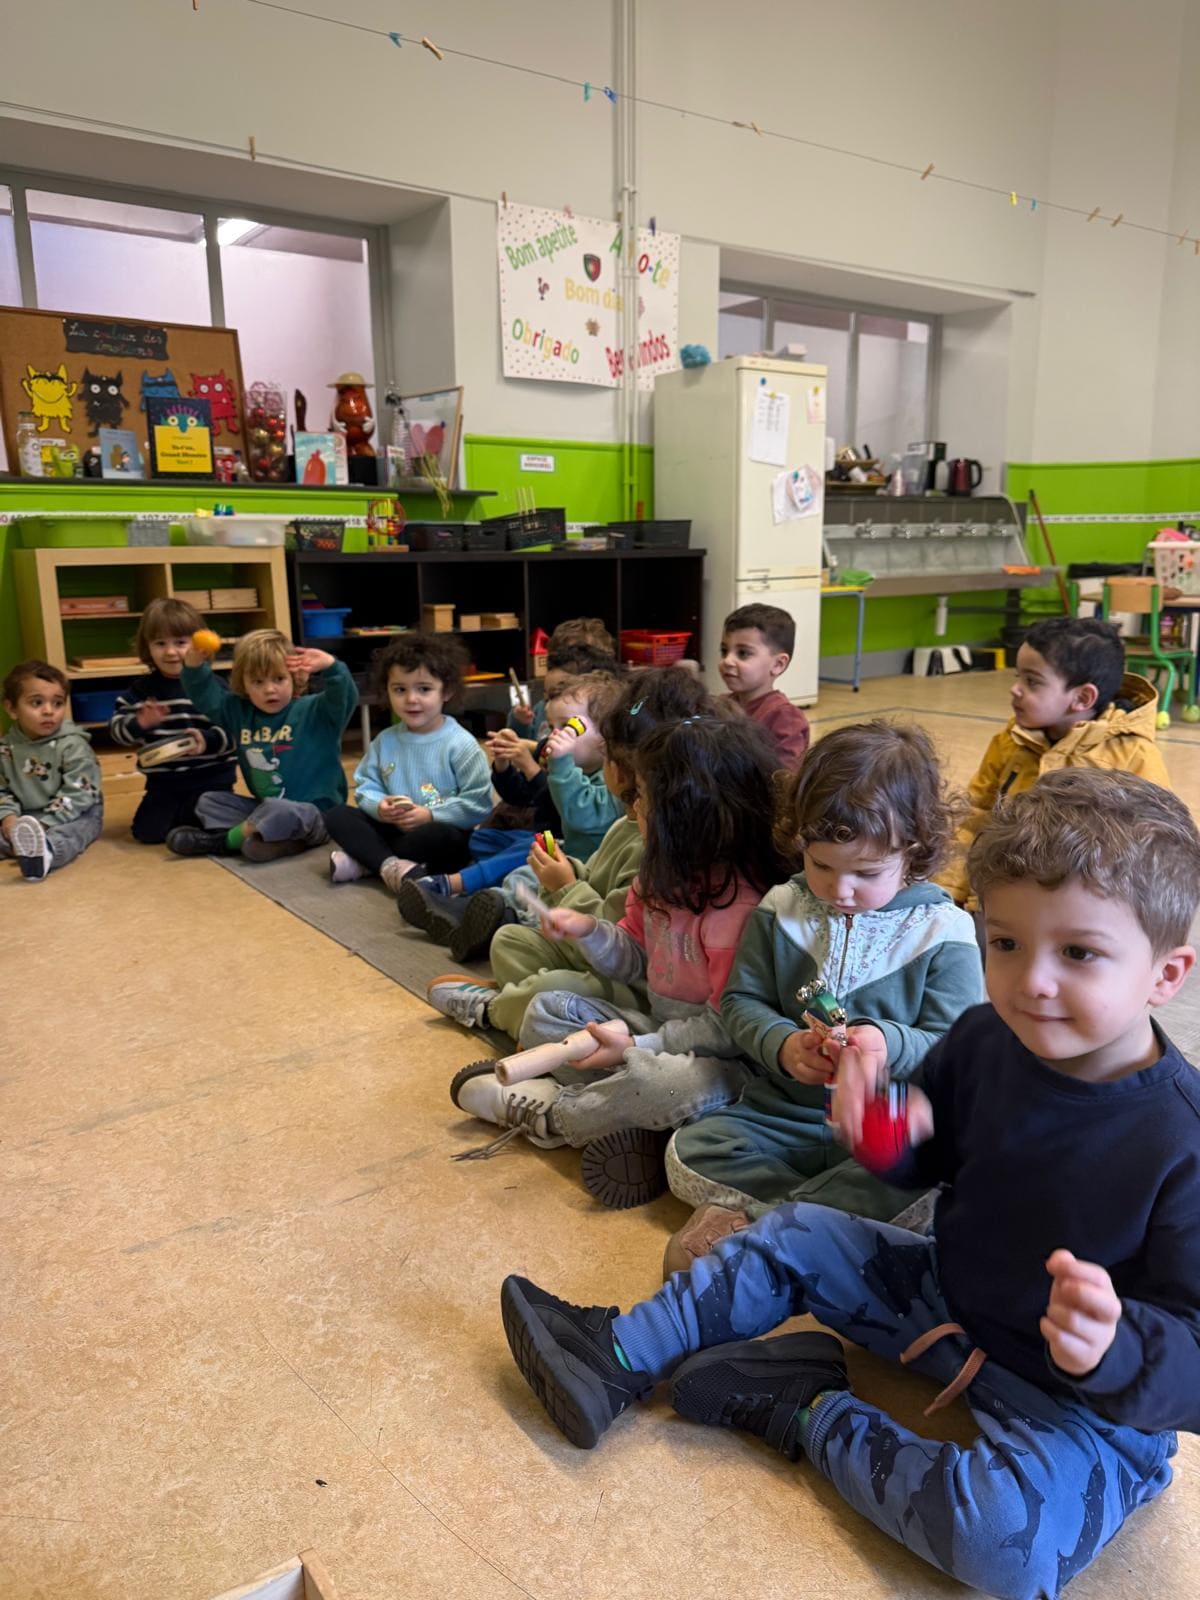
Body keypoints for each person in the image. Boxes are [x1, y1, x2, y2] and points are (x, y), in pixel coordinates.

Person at [499, 769, 1200, 1600]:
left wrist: (1119, 1348)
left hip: (1086, 1403)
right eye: (1006, 944)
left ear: (1167, 974)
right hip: (948, 1299)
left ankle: (805, 1409)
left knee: (1005, 1548)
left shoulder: (1181, 1141)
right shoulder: (984, 1039)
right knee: (796, 1230)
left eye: (1078, 953)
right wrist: (884, 1136)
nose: (1032, 982)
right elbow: (927, 1162)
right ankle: (614, 1353)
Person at [664, 721, 983, 1271]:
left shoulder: (944, 929)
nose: (840, 889)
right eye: (820, 865)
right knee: (691, 1149)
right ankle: (806, 1226)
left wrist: (887, 1044)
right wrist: (783, 1045)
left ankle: (762, 1229)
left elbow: (958, 1046)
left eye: (866, 872)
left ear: (914, 850)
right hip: (784, 1113)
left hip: (883, 1128)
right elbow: (742, 1002)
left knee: (928, 1181)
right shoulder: (781, 907)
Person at [448, 715, 793, 1209]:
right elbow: (633, 959)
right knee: (549, 1011)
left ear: (686, 815)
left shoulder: (738, 911)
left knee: (662, 1083)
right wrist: (590, 932)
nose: (633, 807)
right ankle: (635, 1121)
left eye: (644, 797)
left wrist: (638, 1046)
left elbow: (727, 1032)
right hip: (657, 1031)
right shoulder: (659, 876)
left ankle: (556, 1116)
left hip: (725, 1063)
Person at [426, 665, 717, 1037]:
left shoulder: (655, 848)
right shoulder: (625, 825)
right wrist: (567, 873)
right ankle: (536, 1014)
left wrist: (564, 886)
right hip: (589, 951)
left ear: (618, 769)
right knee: (510, 941)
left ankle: (499, 1010)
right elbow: (592, 876)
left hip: (629, 978)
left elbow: (618, 942)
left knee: (554, 986)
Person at [938, 615, 1168, 908]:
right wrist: (949, 891)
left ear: (1082, 698)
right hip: (1000, 897)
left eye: (1032, 681)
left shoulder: (1134, 755)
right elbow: (975, 817)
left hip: (1085, 908)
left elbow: (1154, 846)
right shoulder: (1011, 740)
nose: (1015, 689)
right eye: (1017, 676)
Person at [397, 670, 622, 960]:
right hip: (559, 850)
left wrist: (553, 766)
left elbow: (582, 816)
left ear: (606, 736)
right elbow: (525, 798)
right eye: (552, 725)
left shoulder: (611, 778)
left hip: (585, 870)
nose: (554, 735)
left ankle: (477, 910)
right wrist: (504, 766)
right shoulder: (568, 765)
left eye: (569, 726)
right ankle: (476, 910)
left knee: (530, 867)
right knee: (517, 871)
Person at [167, 628, 357, 861]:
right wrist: (194, 666)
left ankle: (224, 842)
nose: (269, 689)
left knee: (279, 810)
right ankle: (271, 840)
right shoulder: (238, 711)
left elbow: (344, 696)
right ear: (244, 684)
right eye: (258, 681)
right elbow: (205, 694)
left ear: (294, 676)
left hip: (319, 815)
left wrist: (332, 667)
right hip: (265, 808)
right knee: (209, 801)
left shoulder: (316, 711)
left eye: (279, 679)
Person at [325, 633, 492, 893]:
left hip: (437, 834)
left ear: (447, 691)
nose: (411, 699)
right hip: (393, 828)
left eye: (424, 689)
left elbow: (478, 804)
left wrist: (429, 815)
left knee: (444, 838)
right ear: (388, 691)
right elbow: (366, 786)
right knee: (337, 815)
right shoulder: (385, 740)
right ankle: (389, 865)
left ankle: (369, 860)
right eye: (400, 690)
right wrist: (380, 807)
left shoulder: (461, 744)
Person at [109, 597, 236, 844]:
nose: (170, 652)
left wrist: (207, 741)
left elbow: (236, 731)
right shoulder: (141, 691)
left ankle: (201, 822)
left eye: (180, 642)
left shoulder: (215, 687)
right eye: (160, 643)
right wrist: (138, 724)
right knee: (147, 833)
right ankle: (189, 819)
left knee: (211, 817)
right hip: (165, 783)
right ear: (147, 647)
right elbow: (116, 731)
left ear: (198, 646)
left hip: (211, 778)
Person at [0, 659, 102, 880]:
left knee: (72, 834)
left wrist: (45, 824)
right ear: (12, 709)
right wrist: (8, 818)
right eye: (36, 703)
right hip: (26, 818)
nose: (49, 711)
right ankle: (24, 846)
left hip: (75, 813)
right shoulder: (5, 749)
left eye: (57, 703)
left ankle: (45, 853)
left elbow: (80, 793)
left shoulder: (73, 745)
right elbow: (2, 790)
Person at [718, 602, 810, 769]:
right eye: (724, 651)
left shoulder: (785, 717)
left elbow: (784, 777)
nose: (727, 661)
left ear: (778, 664)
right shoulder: (721, 705)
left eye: (743, 653)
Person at [507, 624, 620, 742]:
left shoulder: (602, 717)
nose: (549, 704)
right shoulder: (540, 709)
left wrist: (533, 749)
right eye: (547, 696)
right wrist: (520, 723)